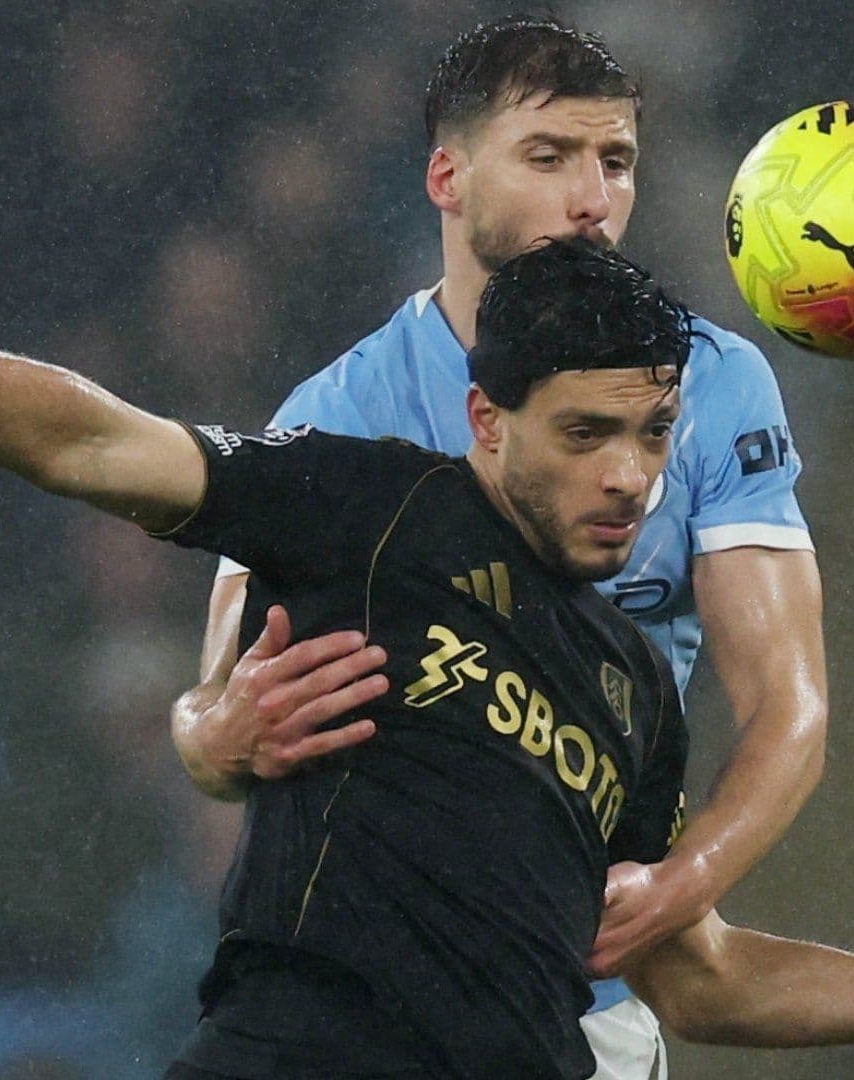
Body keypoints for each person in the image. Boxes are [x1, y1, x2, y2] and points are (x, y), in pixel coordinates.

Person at [0, 238, 851, 1080]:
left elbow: (702, 982)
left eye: (654, 433)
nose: (630, 475)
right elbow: (94, 442)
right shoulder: (366, 503)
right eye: (586, 434)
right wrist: (206, 724)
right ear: (488, 421)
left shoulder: (641, 693)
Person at [171, 17, 827, 1078]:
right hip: (367, 989)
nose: (591, 199)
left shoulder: (712, 384)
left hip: (589, 982)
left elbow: (787, 704)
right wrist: (212, 733)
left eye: (615, 162)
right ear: (446, 175)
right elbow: (212, 709)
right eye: (549, 157)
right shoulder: (338, 411)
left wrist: (681, 881)